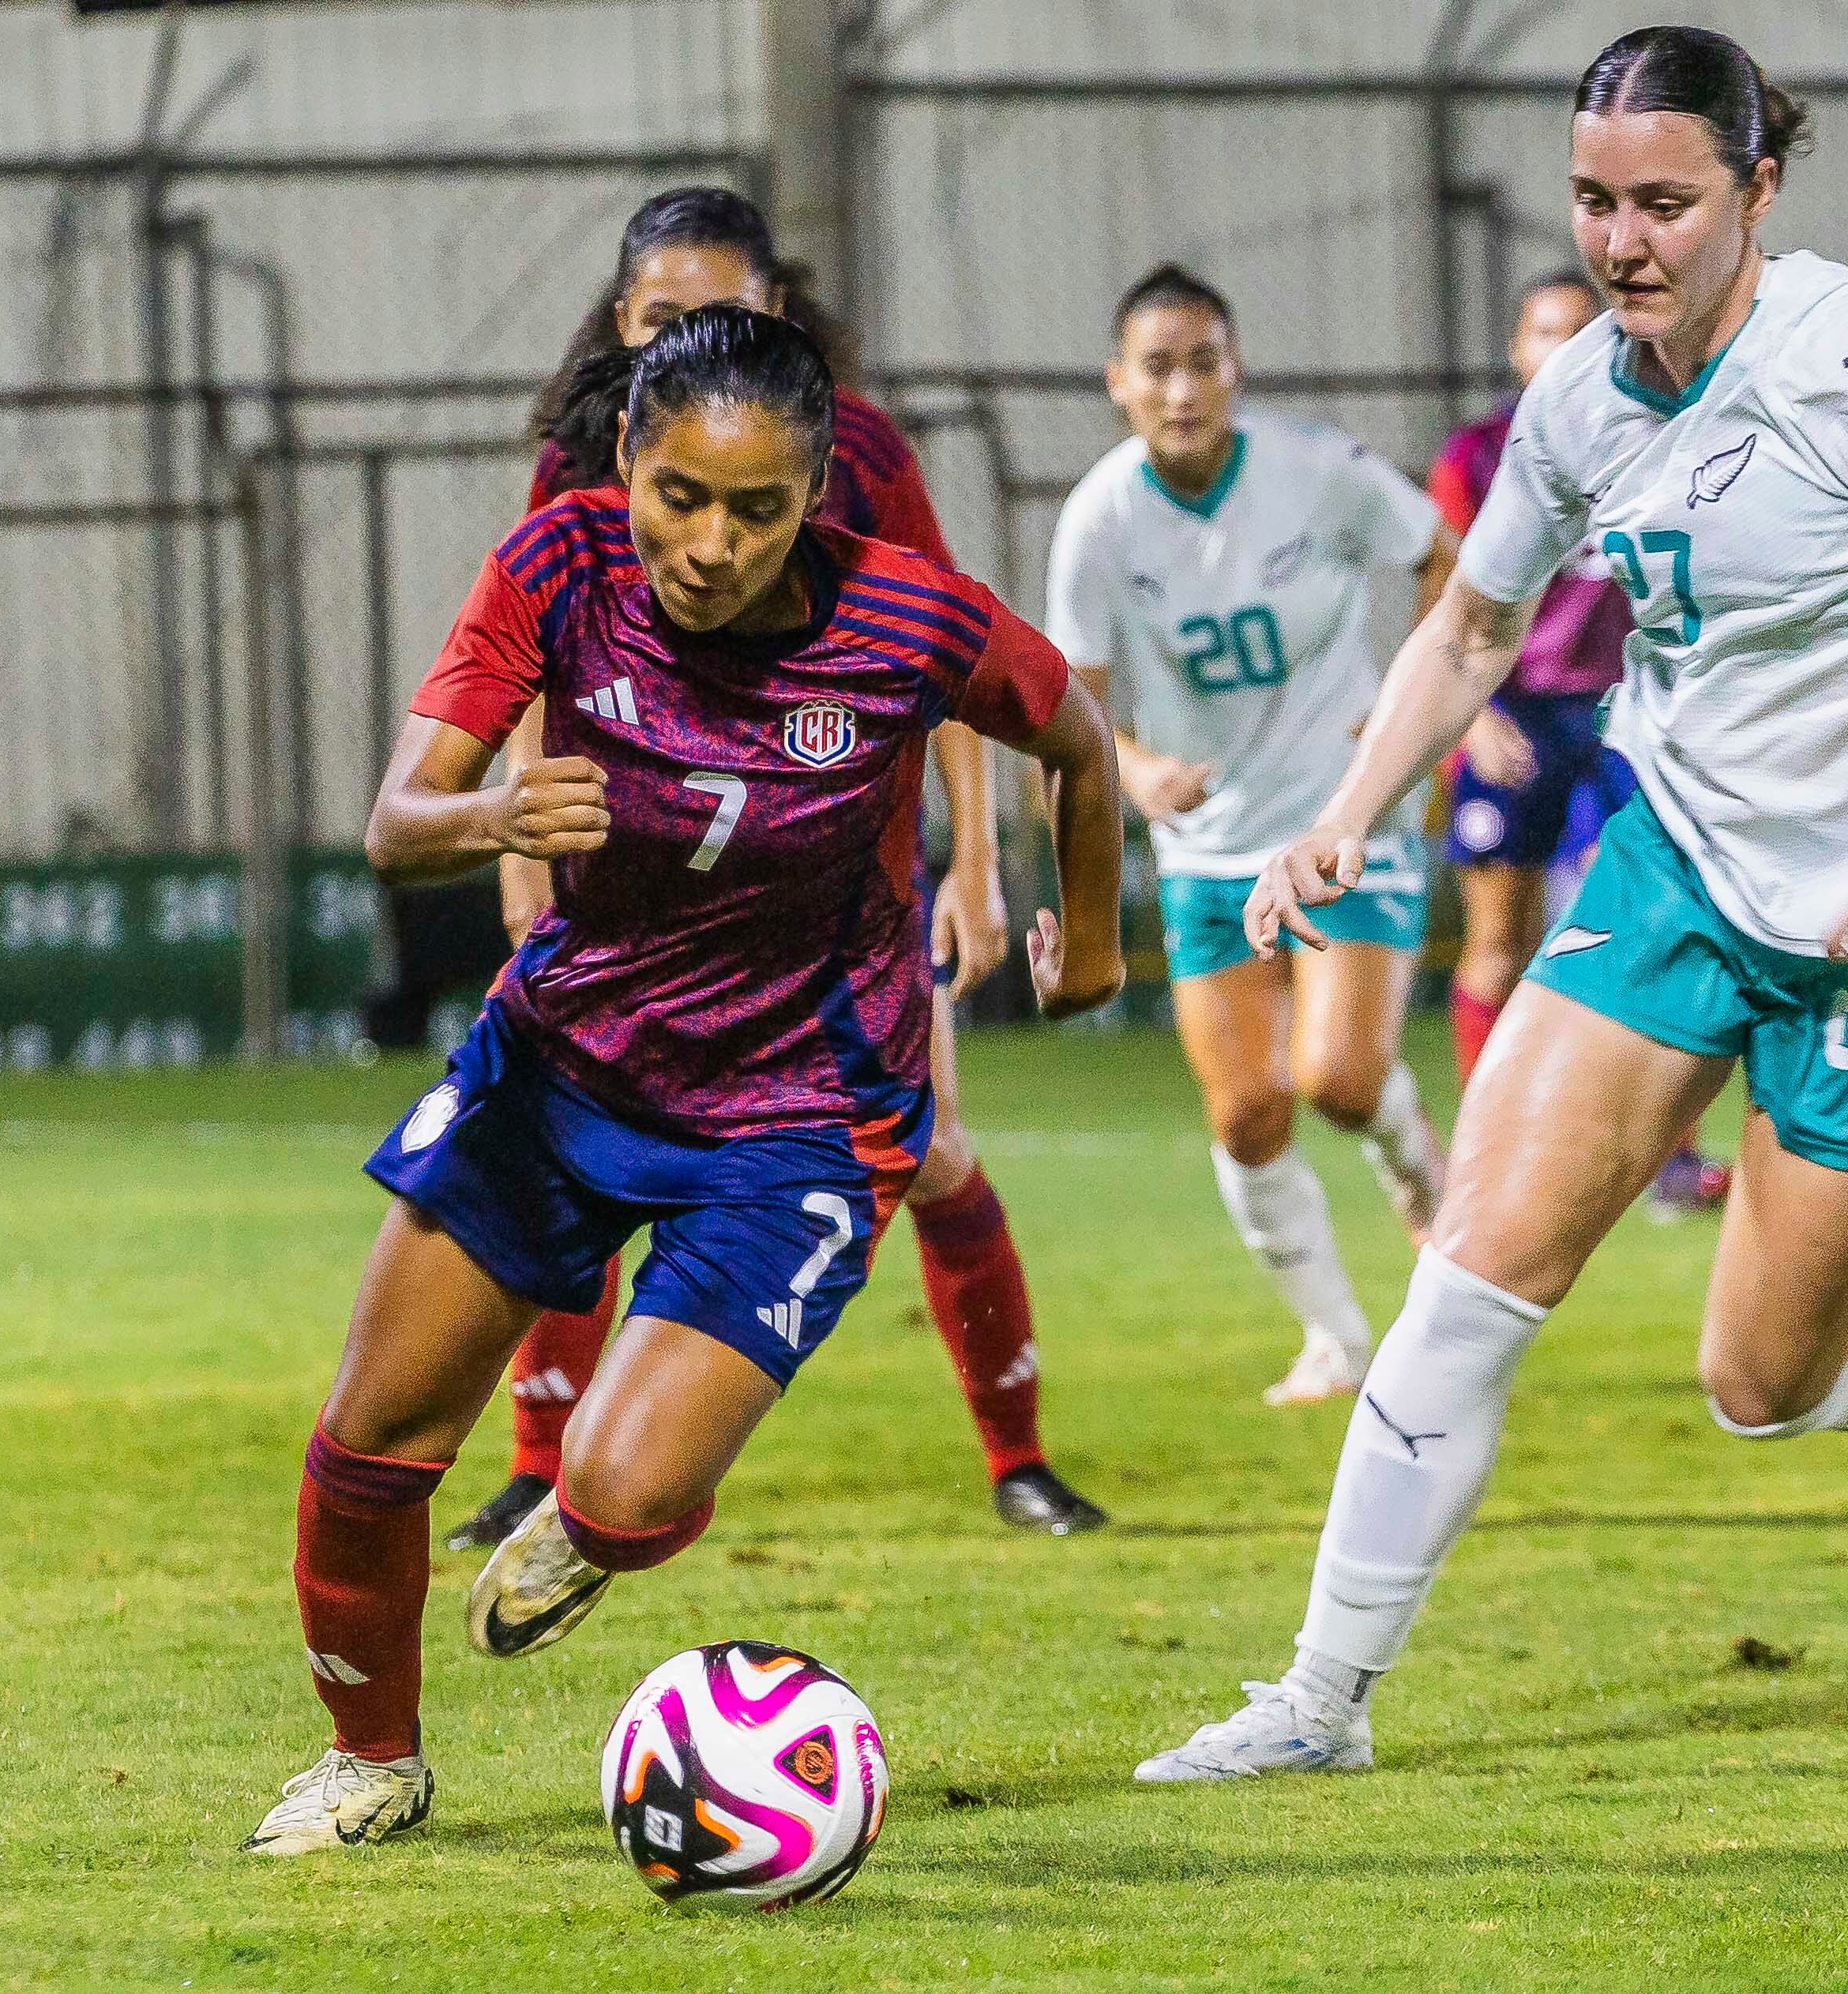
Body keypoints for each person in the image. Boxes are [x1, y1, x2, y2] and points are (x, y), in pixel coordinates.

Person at [1137, 24, 1848, 1782]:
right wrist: (1347, 817)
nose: (1624, 242)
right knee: (1474, 1274)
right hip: (1678, 869)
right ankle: (1317, 1702)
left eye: (1667, 203)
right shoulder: (1583, 396)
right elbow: (1470, 625)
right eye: (1596, 201)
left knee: (1762, 1384)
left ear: (1759, 188)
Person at [246, 305, 1127, 1851]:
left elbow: (1080, 739)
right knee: (365, 1447)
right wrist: (494, 815)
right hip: (562, 1063)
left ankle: (595, 1529)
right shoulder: (559, 566)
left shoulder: (907, 619)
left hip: (796, 1112)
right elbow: (397, 819)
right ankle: (369, 1757)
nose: (711, 543)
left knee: (623, 1493)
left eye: (757, 508)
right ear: (628, 465)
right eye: (680, 495)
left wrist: (1100, 944)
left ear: (815, 501)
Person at [452, 184, 1110, 1546]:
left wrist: (972, 863)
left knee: (928, 1157)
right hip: (627, 890)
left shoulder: (852, 446)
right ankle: (542, 1468)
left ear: (780, 321)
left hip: (830, 905)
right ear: (619, 330)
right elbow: (528, 649)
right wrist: (517, 849)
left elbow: (957, 659)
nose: (684, 340)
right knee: (575, 1153)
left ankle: (1017, 1455)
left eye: (721, 317)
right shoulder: (581, 451)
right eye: (657, 320)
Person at [1045, 264, 1458, 1409]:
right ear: (1118, 384)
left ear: (1235, 371)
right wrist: (1136, 768)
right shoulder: (1099, 519)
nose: (1183, 388)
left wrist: (1407, 709)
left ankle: (1411, 1156)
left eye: (1203, 362)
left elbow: (1443, 557)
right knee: (1246, 1111)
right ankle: (1338, 1339)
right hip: (1207, 850)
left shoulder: (1315, 471)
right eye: (1158, 367)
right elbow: (1072, 702)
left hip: (1340, 819)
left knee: (1335, 1076)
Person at [1429, 270, 1730, 1219]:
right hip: (1514, 709)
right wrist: (1473, 717)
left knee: (1656, 928)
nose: (1559, 348)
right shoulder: (1477, 456)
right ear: (1517, 350)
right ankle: (1489, 1155)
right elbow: (1447, 595)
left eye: (1578, 329)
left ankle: (1668, 1159)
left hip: (1626, 711)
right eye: (1542, 331)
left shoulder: (1657, 430)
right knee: (1498, 940)